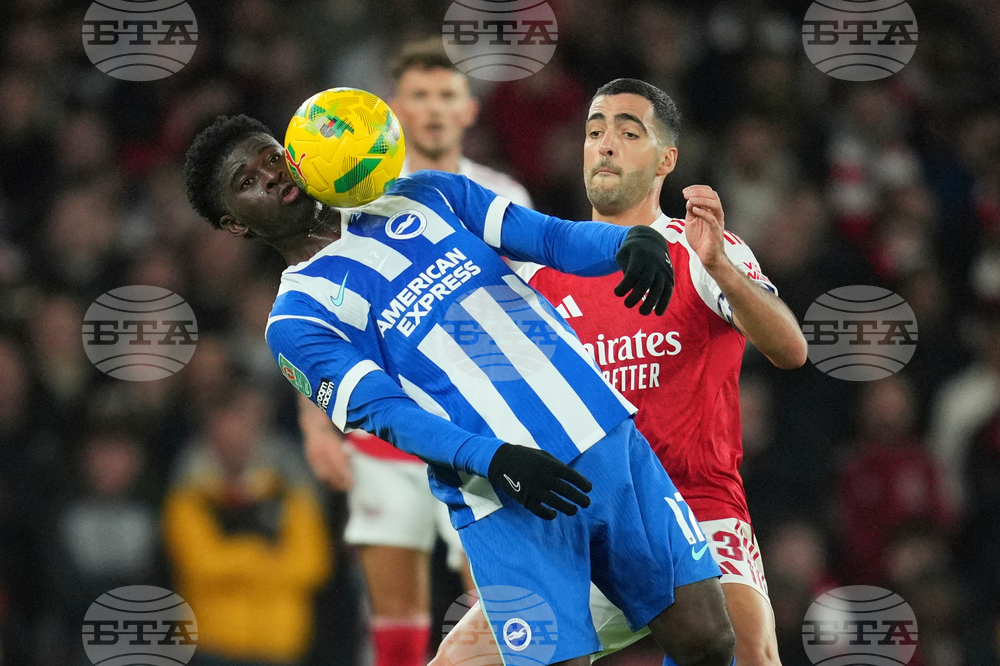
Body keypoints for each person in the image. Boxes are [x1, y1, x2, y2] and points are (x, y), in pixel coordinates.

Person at [183, 112, 735, 666]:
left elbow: (546, 235)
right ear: (236, 225)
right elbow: (388, 414)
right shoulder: (296, 320)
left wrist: (624, 242)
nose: (272, 176)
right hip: (504, 495)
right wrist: (494, 460)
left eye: (271, 157)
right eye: (247, 182)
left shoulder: (426, 193)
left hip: (604, 434)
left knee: (708, 639)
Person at [432, 78, 807, 666]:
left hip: (699, 507)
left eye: (629, 132)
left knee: (747, 649)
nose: (605, 143)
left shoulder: (698, 249)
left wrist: (724, 273)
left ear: (667, 160)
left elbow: (791, 350)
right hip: (592, 522)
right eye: (594, 131)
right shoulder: (537, 274)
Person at [294, 38, 534, 666]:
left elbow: (531, 315)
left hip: (482, 428)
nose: (432, 109)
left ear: (469, 109)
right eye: (419, 96)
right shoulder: (349, 204)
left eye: (446, 95)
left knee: (503, 611)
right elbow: (318, 326)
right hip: (387, 435)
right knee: (395, 624)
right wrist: (315, 425)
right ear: (395, 110)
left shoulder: (501, 193)